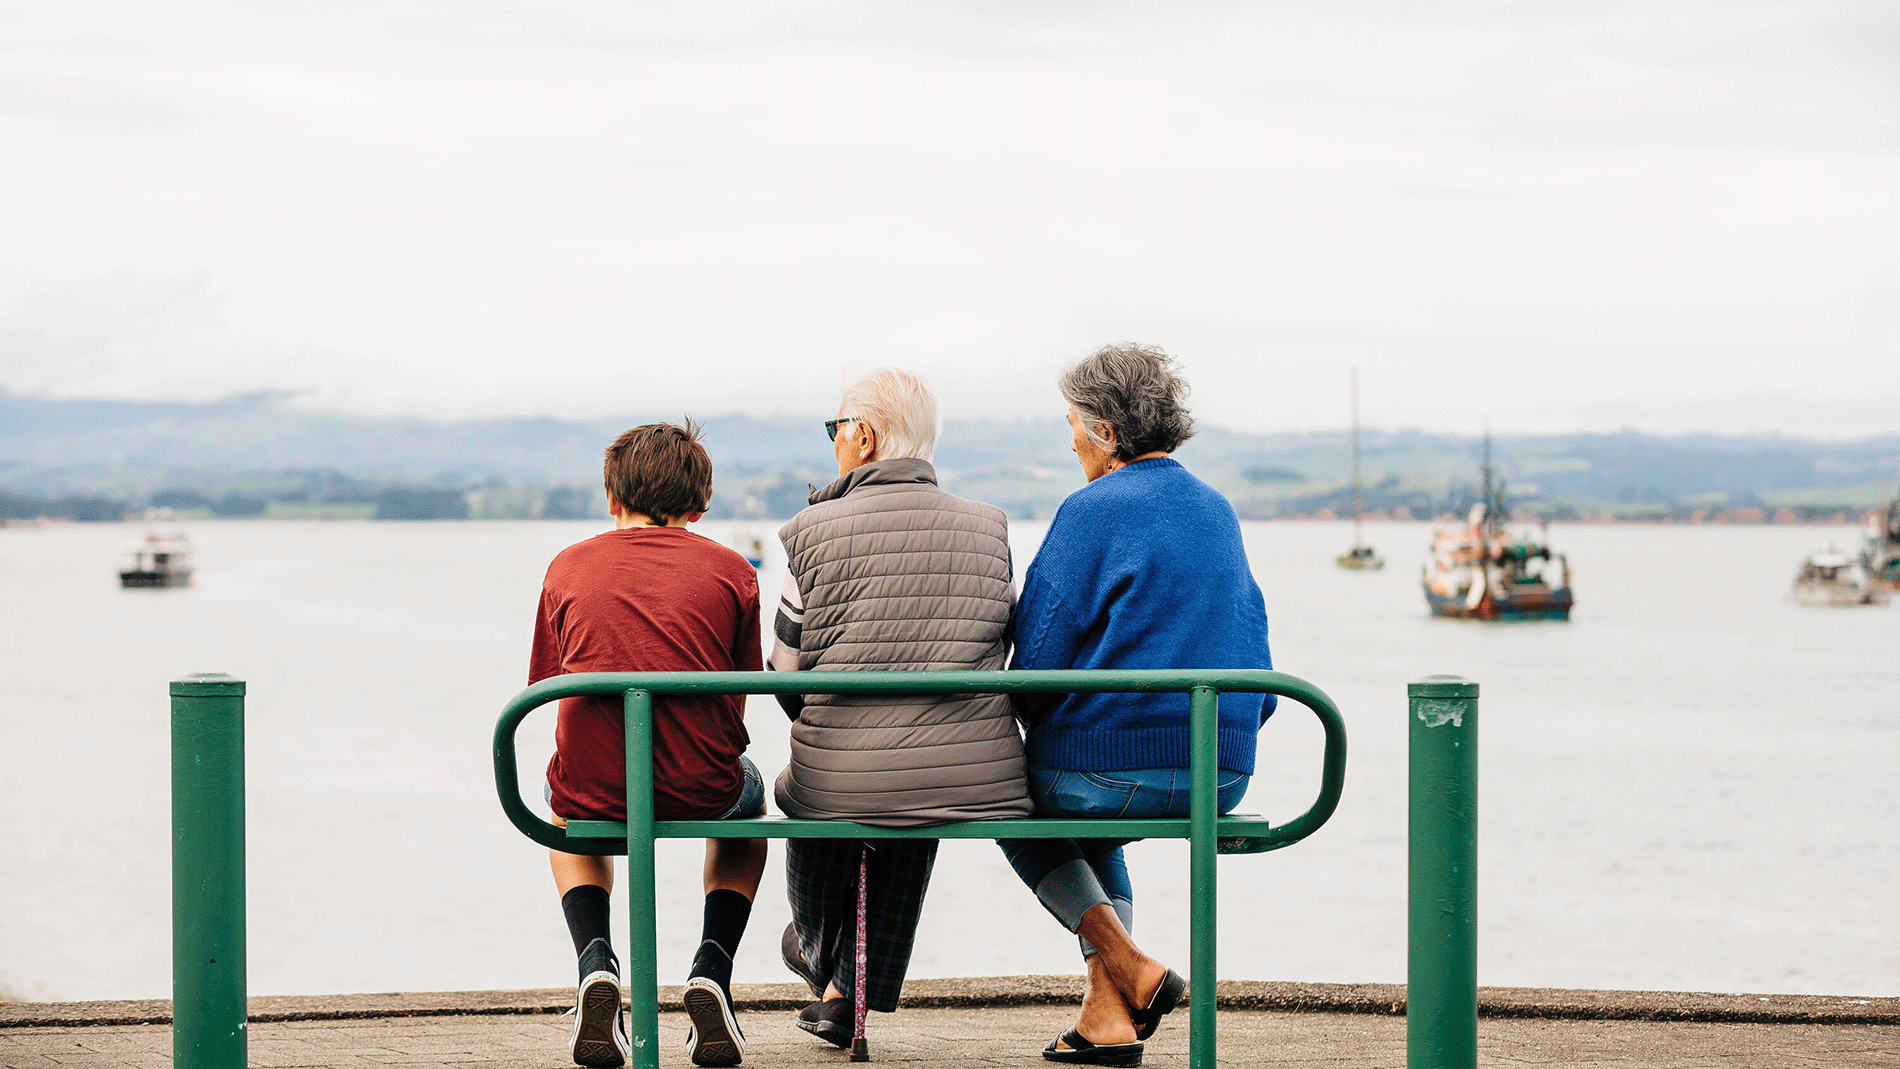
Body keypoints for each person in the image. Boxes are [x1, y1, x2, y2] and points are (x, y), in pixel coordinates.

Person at [999, 344, 1275, 1067]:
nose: (1069, 441)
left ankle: (1132, 964)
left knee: (1005, 799)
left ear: (1108, 434)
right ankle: (1107, 1018)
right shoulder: (1218, 510)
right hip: (1223, 769)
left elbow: (1034, 666)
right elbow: (1256, 646)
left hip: (1115, 770)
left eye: (1075, 426)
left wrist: (1062, 732)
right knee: (1093, 822)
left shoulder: (1090, 511)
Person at [769, 367, 1033, 1046]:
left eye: (836, 428)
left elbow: (784, 671)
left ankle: (818, 953)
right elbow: (1004, 641)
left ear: (864, 435)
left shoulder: (809, 529)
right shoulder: (991, 526)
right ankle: (846, 993)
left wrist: (828, 721)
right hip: (968, 773)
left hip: (841, 774)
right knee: (921, 782)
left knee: (815, 786)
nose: (834, 443)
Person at [529, 421, 768, 1069]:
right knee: (750, 809)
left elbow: (548, 685)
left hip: (594, 786)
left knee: (562, 817)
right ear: (700, 503)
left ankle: (595, 962)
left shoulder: (567, 565)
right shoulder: (732, 571)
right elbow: (740, 691)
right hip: (702, 784)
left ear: (613, 496)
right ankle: (711, 970)